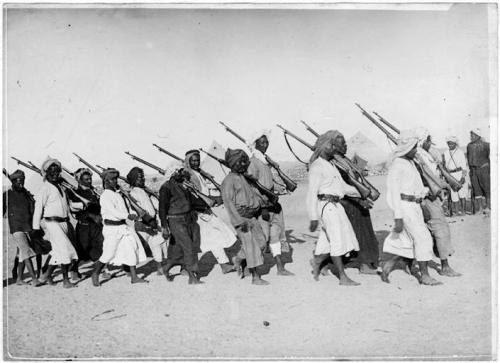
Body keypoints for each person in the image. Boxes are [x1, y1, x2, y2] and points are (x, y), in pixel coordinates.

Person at [382, 130, 442, 285]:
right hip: (404, 207)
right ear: (407, 147)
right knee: (423, 238)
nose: (416, 150)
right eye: (414, 147)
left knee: (409, 240)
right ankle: (425, 276)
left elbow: (416, 186)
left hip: (414, 206)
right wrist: (398, 217)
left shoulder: (409, 163)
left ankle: (387, 267)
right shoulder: (397, 165)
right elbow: (394, 193)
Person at [307, 130, 362, 286]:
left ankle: (317, 262)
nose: (335, 148)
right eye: (332, 145)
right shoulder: (317, 166)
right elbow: (311, 194)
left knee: (327, 241)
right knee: (337, 239)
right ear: (325, 146)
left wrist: (362, 194)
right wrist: (313, 217)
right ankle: (342, 277)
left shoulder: (330, 165)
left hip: (335, 206)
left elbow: (342, 188)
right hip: (327, 207)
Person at [246, 132, 294, 276]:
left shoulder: (265, 161)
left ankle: (280, 268)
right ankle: (247, 266)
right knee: (262, 240)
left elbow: (269, 184)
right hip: (263, 208)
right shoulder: (253, 162)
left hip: (272, 206)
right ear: (255, 144)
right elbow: (253, 188)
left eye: (266, 142)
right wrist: (263, 207)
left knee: (275, 237)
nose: (265, 145)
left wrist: (281, 189)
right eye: (262, 142)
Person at [332, 132, 379, 275]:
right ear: (334, 147)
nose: (346, 146)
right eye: (343, 144)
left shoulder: (344, 160)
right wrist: (359, 199)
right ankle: (363, 264)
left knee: (364, 232)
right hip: (349, 202)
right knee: (359, 234)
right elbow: (342, 186)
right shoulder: (334, 163)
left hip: (358, 200)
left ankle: (365, 261)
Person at [91, 168, 148, 286]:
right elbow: (114, 212)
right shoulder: (105, 196)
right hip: (112, 229)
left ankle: (134, 277)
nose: (115, 181)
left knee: (131, 249)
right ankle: (95, 273)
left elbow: (123, 210)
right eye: (112, 179)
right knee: (108, 254)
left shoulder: (117, 194)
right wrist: (128, 216)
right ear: (105, 181)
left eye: (116, 178)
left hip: (122, 227)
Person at [184, 150, 237, 274]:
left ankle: (224, 265)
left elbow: (206, 191)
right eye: (193, 160)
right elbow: (197, 195)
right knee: (203, 241)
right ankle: (186, 269)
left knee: (214, 238)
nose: (197, 162)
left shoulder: (198, 174)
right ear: (188, 161)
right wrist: (215, 200)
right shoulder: (190, 176)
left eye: (198, 160)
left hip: (205, 211)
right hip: (199, 213)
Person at [221, 149, 269, 285]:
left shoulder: (244, 177)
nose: (243, 164)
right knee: (251, 246)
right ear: (233, 164)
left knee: (261, 242)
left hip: (251, 217)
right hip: (242, 219)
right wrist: (239, 221)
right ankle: (255, 277)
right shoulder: (228, 181)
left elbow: (253, 195)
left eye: (244, 161)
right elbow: (229, 203)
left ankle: (239, 258)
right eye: (241, 162)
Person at [417, 130, 460, 278]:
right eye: (428, 140)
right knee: (439, 228)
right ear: (423, 141)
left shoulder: (424, 154)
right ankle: (445, 266)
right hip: (427, 195)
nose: (431, 142)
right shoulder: (419, 156)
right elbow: (425, 178)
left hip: (431, 194)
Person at [32, 158, 79, 288]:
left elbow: (68, 206)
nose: (55, 174)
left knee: (58, 252)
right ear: (45, 173)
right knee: (65, 250)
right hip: (52, 224)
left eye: (57, 171)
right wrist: (36, 228)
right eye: (51, 172)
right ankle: (65, 281)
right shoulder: (45, 188)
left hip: (64, 223)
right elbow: (38, 209)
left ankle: (45, 276)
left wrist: (82, 205)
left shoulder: (61, 188)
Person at [158, 162, 203, 284]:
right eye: (179, 171)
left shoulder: (183, 185)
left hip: (188, 219)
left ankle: (166, 268)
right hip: (176, 221)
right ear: (173, 173)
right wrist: (164, 227)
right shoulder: (166, 187)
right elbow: (162, 209)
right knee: (188, 247)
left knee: (181, 248)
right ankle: (192, 277)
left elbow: (192, 202)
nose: (182, 173)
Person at [3, 170, 43, 286]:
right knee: (26, 252)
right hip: (16, 228)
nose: (21, 184)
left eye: (23, 182)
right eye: (18, 182)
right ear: (13, 182)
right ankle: (34, 279)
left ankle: (19, 279)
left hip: (28, 227)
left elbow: (33, 209)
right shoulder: (7, 195)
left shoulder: (27, 195)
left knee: (22, 254)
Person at [127, 167, 168, 276]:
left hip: (152, 222)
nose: (143, 179)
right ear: (135, 180)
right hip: (142, 224)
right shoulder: (133, 193)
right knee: (135, 249)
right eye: (140, 178)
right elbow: (137, 210)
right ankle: (130, 271)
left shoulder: (143, 191)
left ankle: (159, 268)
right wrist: (148, 223)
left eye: (143, 177)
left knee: (157, 245)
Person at [67, 168, 104, 279]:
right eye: (86, 179)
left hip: (96, 226)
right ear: (79, 180)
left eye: (90, 179)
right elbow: (74, 209)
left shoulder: (94, 191)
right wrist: (91, 216)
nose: (89, 181)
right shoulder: (73, 192)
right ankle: (73, 270)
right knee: (82, 250)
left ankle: (101, 271)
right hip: (84, 226)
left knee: (99, 247)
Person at [443, 136, 469, 215]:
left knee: (462, 193)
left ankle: (463, 212)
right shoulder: (445, 153)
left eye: (452, 143)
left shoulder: (460, 152)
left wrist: (463, 176)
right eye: (449, 143)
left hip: (459, 173)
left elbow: (464, 166)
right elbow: (445, 165)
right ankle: (457, 212)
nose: (450, 145)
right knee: (453, 194)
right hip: (450, 175)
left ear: (455, 144)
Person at [466, 128, 490, 213]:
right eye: (470, 135)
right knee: (477, 190)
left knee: (487, 188)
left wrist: (486, 166)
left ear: (477, 135)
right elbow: (468, 158)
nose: (471, 137)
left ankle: (488, 207)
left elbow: (490, 157)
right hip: (473, 171)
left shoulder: (486, 145)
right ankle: (479, 208)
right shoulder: (469, 146)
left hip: (484, 169)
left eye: (472, 135)